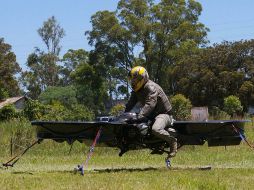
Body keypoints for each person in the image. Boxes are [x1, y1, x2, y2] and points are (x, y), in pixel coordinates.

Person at [125, 66, 177, 159]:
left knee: (156, 129)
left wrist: (140, 115)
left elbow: (150, 104)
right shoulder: (136, 91)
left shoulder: (151, 87)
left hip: (164, 114)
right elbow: (130, 105)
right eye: (132, 80)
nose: (133, 82)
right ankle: (156, 144)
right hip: (151, 115)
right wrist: (123, 117)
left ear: (143, 78)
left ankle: (172, 141)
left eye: (135, 79)